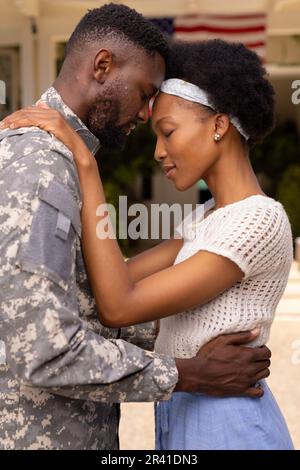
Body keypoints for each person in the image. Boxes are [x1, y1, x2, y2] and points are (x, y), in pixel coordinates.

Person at [0, 5, 271, 450]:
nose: (146, 116)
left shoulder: (67, 159)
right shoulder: (40, 163)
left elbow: (87, 305)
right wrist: (187, 372)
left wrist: (188, 344)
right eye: (145, 92)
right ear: (103, 66)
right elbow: (44, 349)